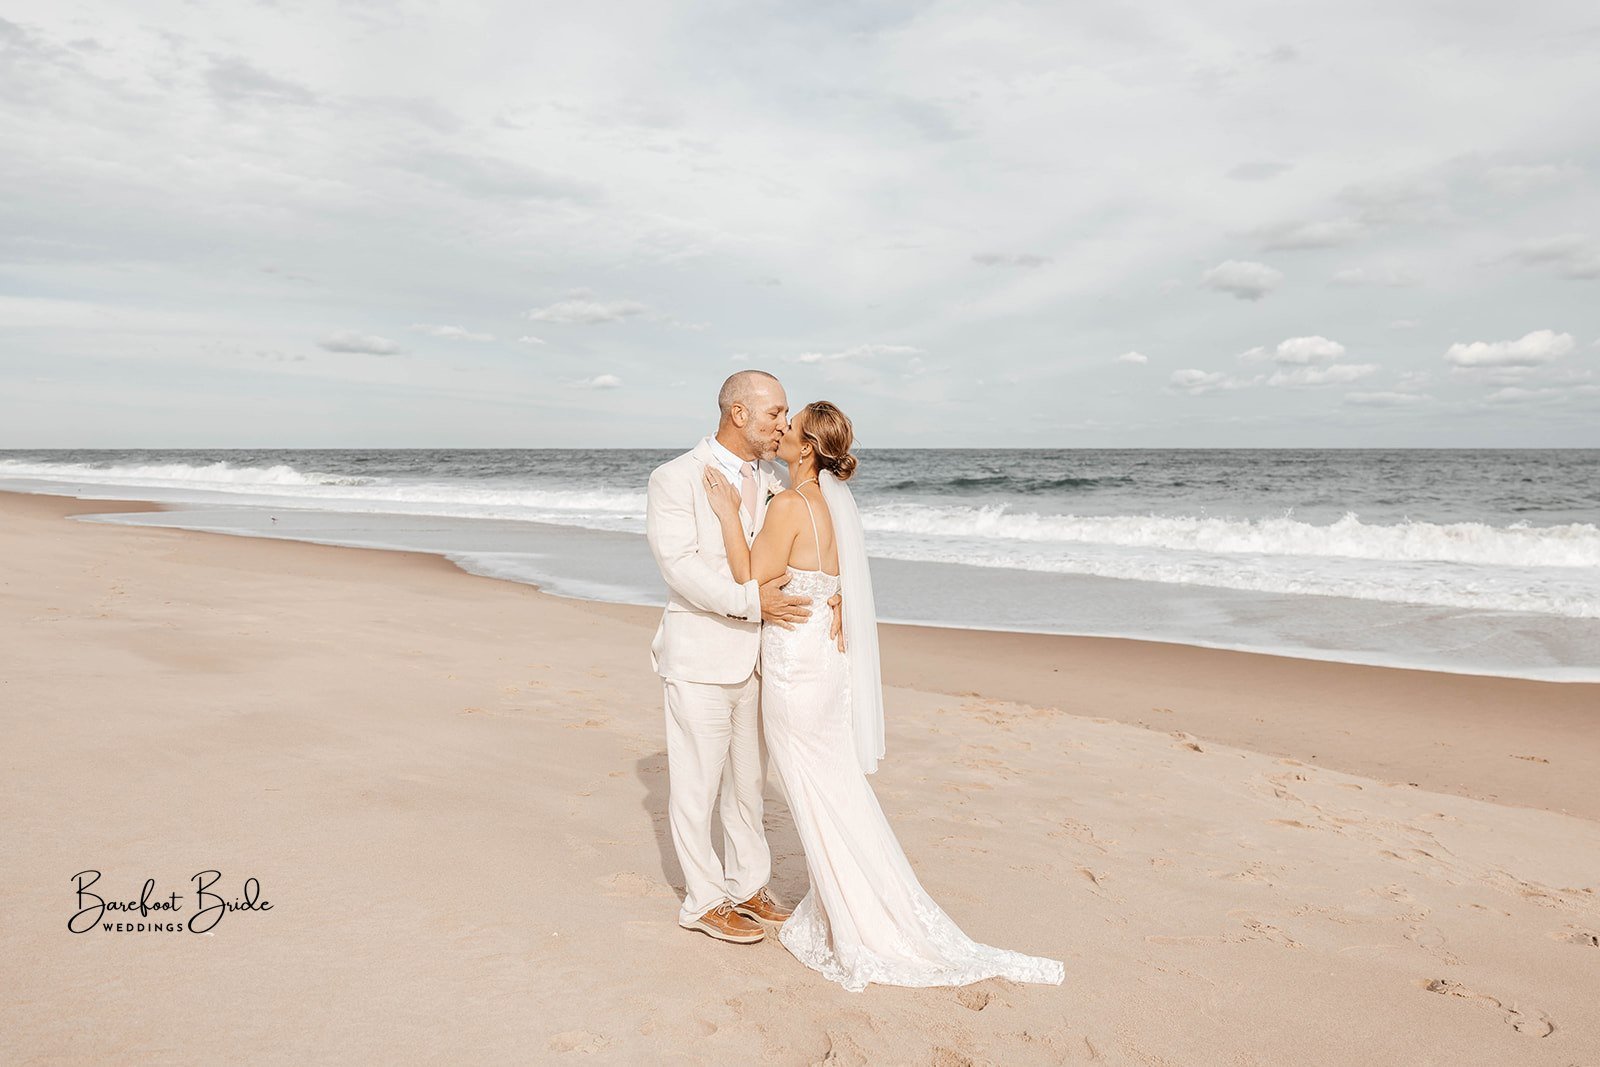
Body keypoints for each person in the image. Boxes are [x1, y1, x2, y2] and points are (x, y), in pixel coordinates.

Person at [702, 400, 1066, 992]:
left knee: (812, 792)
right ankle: (865, 903)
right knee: (836, 785)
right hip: (828, 663)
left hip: (795, 668)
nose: (782, 432)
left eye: (790, 430)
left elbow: (748, 576)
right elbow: (841, 585)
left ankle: (854, 917)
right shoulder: (834, 510)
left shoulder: (791, 506)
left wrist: (724, 513)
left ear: (808, 449)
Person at [643, 369, 841, 943]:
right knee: (697, 783)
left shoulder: (774, 480)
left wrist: (828, 598)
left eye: (785, 414)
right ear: (739, 414)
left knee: (748, 784)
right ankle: (704, 901)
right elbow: (680, 567)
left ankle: (748, 884)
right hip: (701, 654)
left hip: (762, 658)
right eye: (775, 412)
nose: (783, 422)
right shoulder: (675, 478)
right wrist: (753, 603)